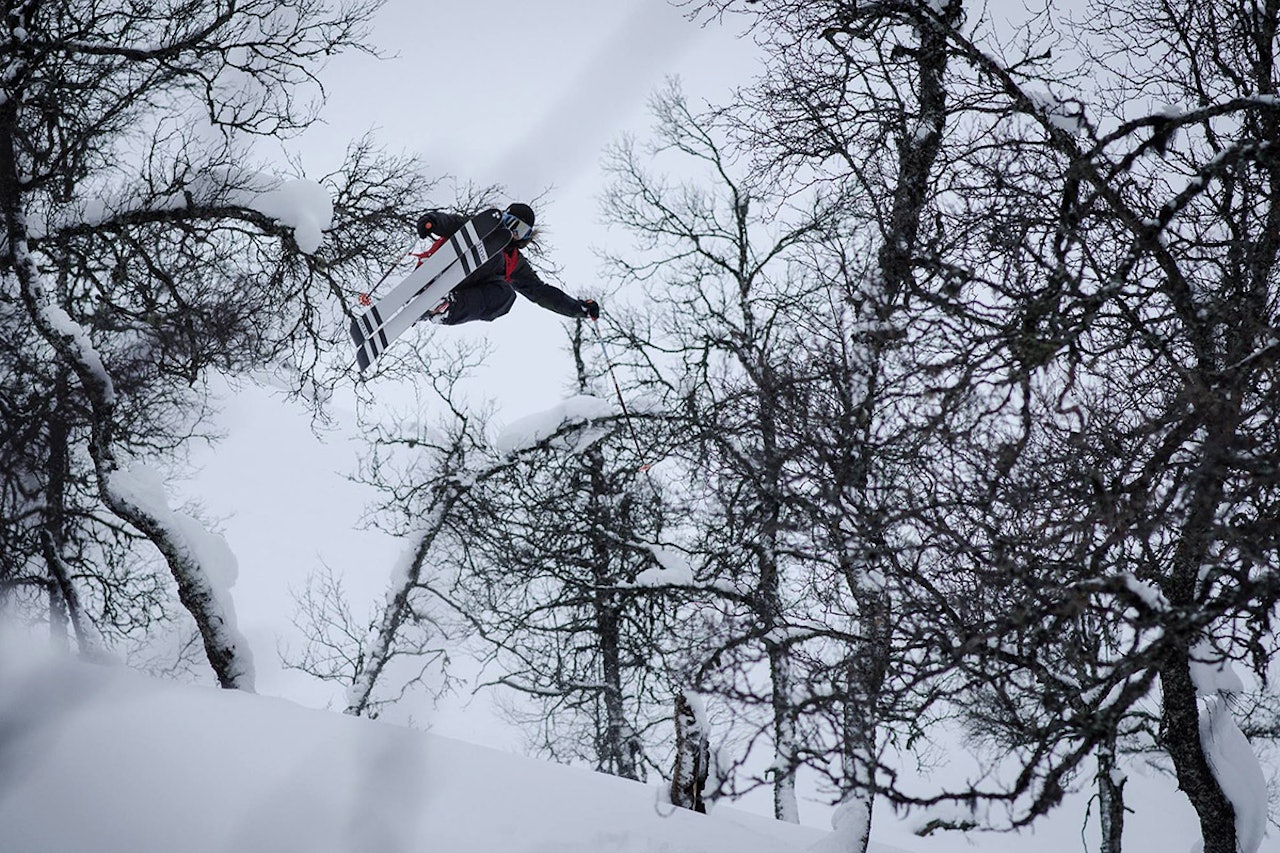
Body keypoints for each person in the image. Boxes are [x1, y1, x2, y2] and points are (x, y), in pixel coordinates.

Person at [414, 202, 600, 325]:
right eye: (509, 223)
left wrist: (578, 309)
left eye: (519, 230)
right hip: (441, 268)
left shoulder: (516, 262)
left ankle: (445, 307)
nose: (512, 232)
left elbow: (540, 292)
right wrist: (433, 221)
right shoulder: (480, 229)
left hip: (457, 290)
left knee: (506, 295)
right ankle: (432, 287)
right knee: (494, 253)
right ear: (502, 219)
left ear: (526, 236)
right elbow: (453, 222)